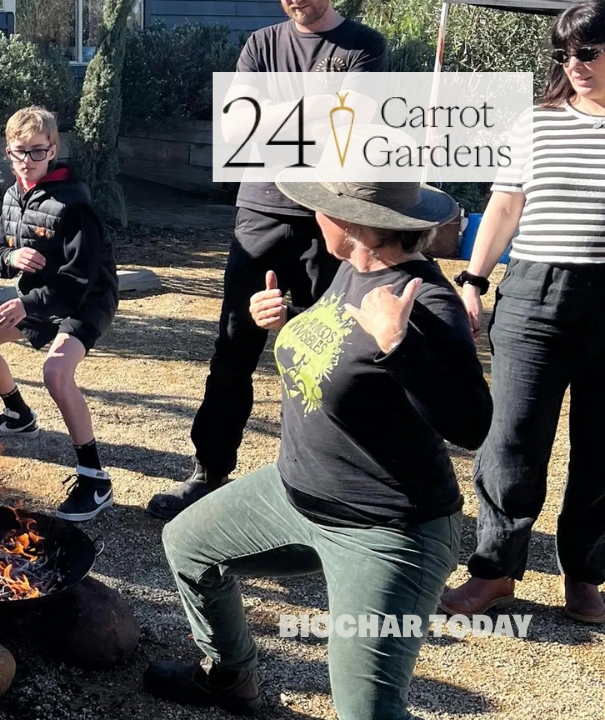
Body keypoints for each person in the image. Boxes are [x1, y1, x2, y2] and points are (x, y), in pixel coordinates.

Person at [145, 143, 492, 719]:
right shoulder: (350, 268)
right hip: (292, 493)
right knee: (188, 546)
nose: (312, 215)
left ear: (351, 222)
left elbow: (473, 425)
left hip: (388, 533)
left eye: (321, 207)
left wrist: (400, 346)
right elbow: (339, 349)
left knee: (364, 708)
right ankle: (229, 677)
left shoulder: (425, 301)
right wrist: (287, 321)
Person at [147, 0, 387, 521]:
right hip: (260, 212)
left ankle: (331, 489)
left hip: (332, 217)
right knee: (233, 349)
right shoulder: (261, 44)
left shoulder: (363, 47)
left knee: (330, 356)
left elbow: (350, 124)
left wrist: (272, 113)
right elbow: (237, 129)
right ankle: (208, 473)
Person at [439, 0, 605, 625]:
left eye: (587, 51)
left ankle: (586, 576)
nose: (575, 65)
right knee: (510, 439)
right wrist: (473, 279)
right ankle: (495, 570)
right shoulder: (534, 124)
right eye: (565, 54)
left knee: (601, 448)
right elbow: (505, 205)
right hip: (534, 294)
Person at [0, 106, 118, 522]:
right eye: (19, 152)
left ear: (53, 150)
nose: (27, 161)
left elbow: (78, 281)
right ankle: (19, 414)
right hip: (40, 299)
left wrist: (27, 304)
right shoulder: (13, 196)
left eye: (37, 151)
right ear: (7, 151)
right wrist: (12, 256)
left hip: (86, 300)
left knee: (56, 373)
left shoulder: (75, 205)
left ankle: (94, 478)